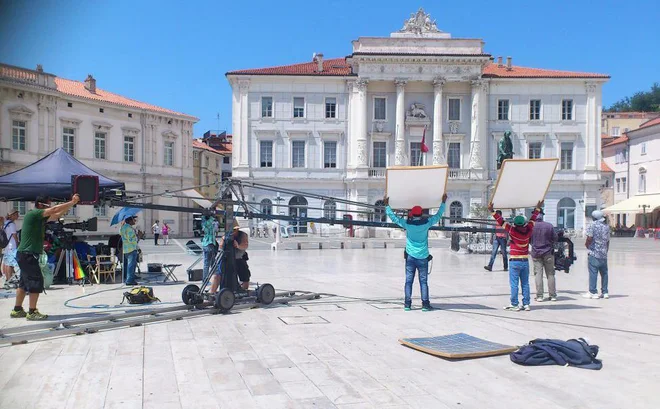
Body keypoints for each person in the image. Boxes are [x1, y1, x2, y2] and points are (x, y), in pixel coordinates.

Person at [11, 195, 79, 320]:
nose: (51, 206)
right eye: (49, 204)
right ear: (41, 205)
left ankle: (17, 309)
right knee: (36, 282)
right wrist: (72, 201)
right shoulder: (35, 214)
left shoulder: (39, 218)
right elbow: (53, 211)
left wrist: (70, 206)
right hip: (28, 254)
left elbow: (56, 215)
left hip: (24, 254)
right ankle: (32, 312)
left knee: (23, 283)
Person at [384, 193, 447, 312]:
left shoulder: (407, 224)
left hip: (410, 257)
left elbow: (394, 218)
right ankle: (425, 304)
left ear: (412, 214)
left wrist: (387, 206)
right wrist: (443, 203)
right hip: (423, 257)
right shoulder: (427, 223)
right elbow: (438, 216)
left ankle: (407, 304)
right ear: (421, 214)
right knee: (423, 282)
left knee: (408, 281)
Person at [489, 200, 543, 312]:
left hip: (514, 261)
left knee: (514, 284)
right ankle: (526, 304)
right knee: (525, 283)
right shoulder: (529, 229)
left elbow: (501, 221)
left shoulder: (512, 230)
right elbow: (533, 219)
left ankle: (514, 304)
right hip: (525, 261)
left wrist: (492, 211)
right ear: (524, 223)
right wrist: (538, 208)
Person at [210, 221, 250, 294]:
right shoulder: (226, 236)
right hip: (227, 259)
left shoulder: (243, 235)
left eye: (234, 230)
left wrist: (238, 246)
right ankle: (212, 292)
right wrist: (223, 241)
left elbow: (245, 245)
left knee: (245, 277)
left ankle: (244, 291)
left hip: (239, 258)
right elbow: (220, 247)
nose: (232, 232)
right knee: (217, 275)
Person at [531, 211, 558, 302]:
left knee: (538, 274)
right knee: (550, 274)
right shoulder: (549, 226)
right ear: (542, 216)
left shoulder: (531, 226)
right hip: (548, 253)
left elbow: (528, 239)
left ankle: (539, 296)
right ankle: (552, 295)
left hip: (536, 253)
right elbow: (555, 238)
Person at [583, 210, 610, 299]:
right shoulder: (606, 226)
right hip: (603, 253)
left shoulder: (592, 225)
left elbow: (589, 237)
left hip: (594, 252)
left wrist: (587, 245)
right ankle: (605, 292)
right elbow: (607, 241)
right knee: (604, 273)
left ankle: (593, 292)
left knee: (593, 272)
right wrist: (606, 250)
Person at [2, 210, 20, 289]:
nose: (17, 215)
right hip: (12, 245)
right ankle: (9, 280)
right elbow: (14, 236)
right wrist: (17, 244)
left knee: (6, 263)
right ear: (11, 215)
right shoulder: (12, 224)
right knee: (10, 263)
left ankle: (7, 279)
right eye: (16, 214)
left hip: (6, 245)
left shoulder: (5, 223)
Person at [121, 216, 139, 285]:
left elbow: (121, 233)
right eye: (133, 219)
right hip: (131, 248)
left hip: (126, 248)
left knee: (128, 264)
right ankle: (129, 280)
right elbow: (131, 239)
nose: (134, 221)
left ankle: (129, 276)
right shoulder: (129, 229)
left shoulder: (123, 228)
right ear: (130, 221)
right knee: (131, 265)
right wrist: (138, 237)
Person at [201, 214, 217, 283]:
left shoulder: (204, 222)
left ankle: (216, 278)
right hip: (209, 244)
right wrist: (212, 217)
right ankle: (205, 280)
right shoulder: (208, 222)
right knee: (208, 263)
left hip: (208, 244)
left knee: (213, 263)